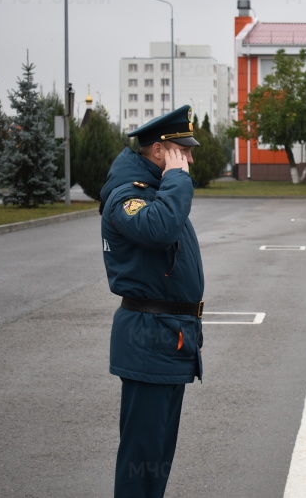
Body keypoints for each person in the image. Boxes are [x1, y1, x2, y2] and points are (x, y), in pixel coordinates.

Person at [99, 105, 204, 497]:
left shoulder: (156, 191)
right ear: (160, 151)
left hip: (168, 338)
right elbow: (158, 230)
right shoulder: (127, 196)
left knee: (156, 454)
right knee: (142, 460)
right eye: (184, 151)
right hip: (150, 339)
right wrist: (177, 178)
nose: (190, 158)